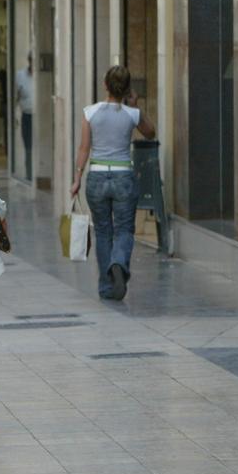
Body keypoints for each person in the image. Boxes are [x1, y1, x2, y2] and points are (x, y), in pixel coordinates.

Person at [71, 66, 156, 301]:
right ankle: (119, 262)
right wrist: (136, 105)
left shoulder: (90, 112)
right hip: (123, 177)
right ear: (127, 89)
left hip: (97, 176)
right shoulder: (132, 114)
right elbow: (150, 132)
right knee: (124, 229)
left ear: (105, 85)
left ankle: (107, 287)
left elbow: (83, 148)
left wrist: (77, 177)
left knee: (103, 231)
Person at [15, 57, 35, 180]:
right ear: (29, 60)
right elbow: (15, 96)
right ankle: (29, 174)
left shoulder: (40, 75)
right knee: (28, 146)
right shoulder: (20, 75)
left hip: (41, 117)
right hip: (27, 115)